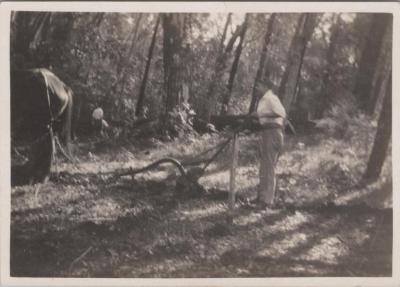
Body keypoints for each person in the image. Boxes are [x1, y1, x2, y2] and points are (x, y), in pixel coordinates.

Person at [251, 84, 286, 208]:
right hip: (266, 132)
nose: (256, 89)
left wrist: (261, 116)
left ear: (265, 86)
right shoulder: (264, 100)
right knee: (264, 166)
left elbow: (281, 113)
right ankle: (262, 197)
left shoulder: (271, 98)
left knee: (269, 167)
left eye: (258, 86)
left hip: (273, 132)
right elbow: (265, 118)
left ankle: (267, 201)